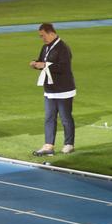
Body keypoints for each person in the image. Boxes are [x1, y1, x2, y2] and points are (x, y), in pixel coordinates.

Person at [30, 24, 76, 157]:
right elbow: (42, 62)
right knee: (49, 118)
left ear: (51, 33)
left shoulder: (63, 48)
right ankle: (48, 145)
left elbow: (63, 68)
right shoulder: (45, 47)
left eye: (43, 35)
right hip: (50, 89)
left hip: (64, 89)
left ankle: (69, 144)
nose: (42, 38)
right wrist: (35, 64)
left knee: (65, 118)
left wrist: (44, 65)